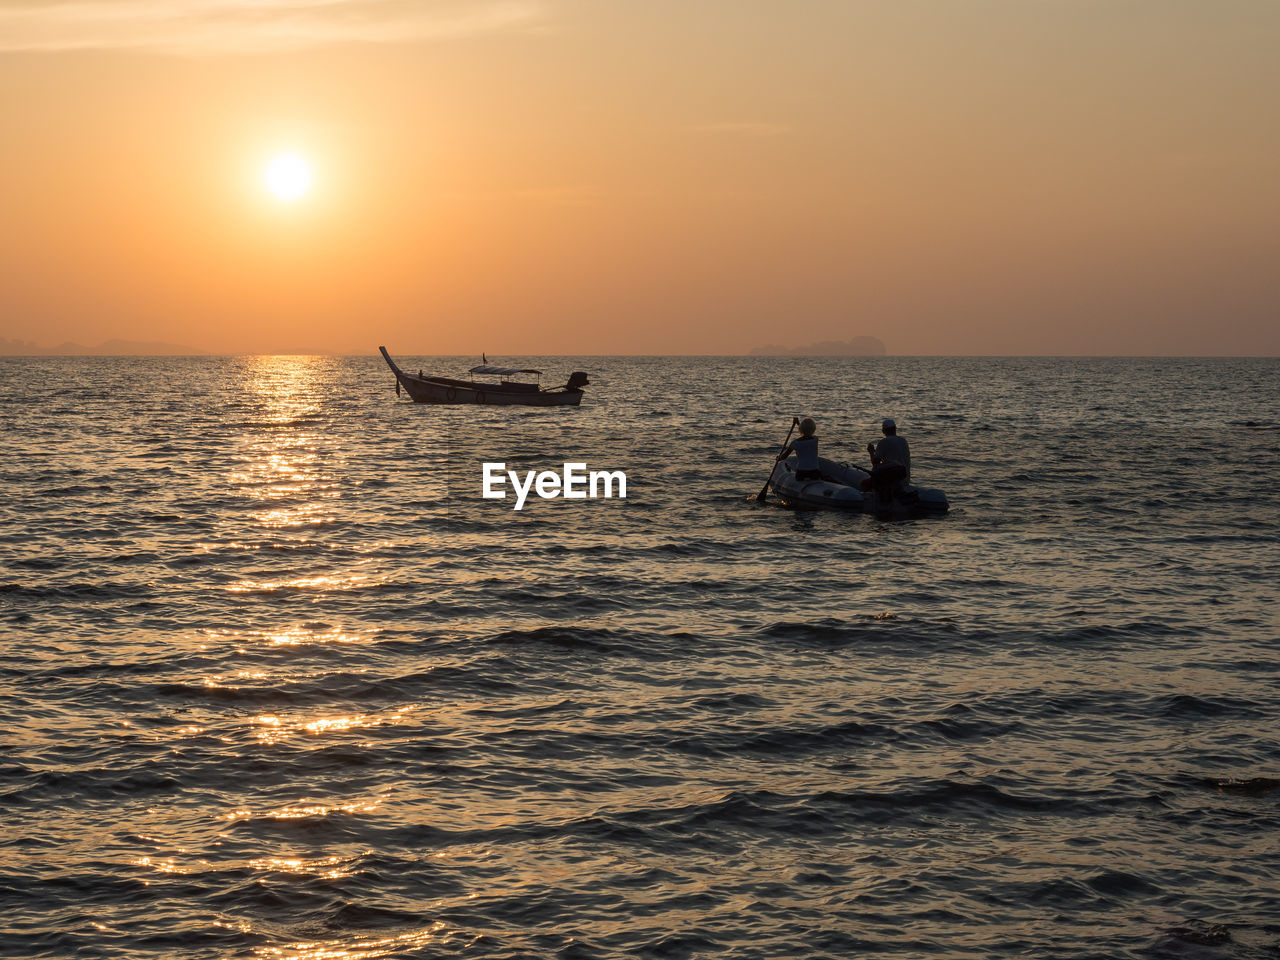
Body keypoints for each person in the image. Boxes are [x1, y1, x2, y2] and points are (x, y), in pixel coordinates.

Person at [865, 418, 910, 499]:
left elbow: (875, 463)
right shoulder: (903, 441)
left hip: (892, 480)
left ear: (883, 430)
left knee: (864, 484)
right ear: (895, 429)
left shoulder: (884, 442)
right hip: (905, 480)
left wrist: (871, 452)